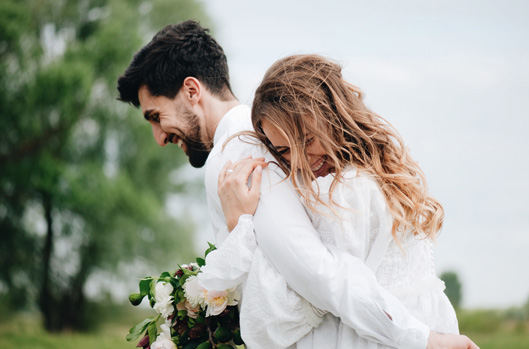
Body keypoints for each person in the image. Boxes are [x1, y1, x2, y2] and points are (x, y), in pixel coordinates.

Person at [116, 19, 478, 349]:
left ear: (193, 91)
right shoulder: (257, 136)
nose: (159, 137)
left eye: (156, 116)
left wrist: (424, 340)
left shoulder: (239, 151)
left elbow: (319, 273)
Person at [215, 54, 463, 348]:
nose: (301, 162)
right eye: (283, 151)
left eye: (307, 140)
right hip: (420, 326)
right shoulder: (385, 173)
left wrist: (240, 226)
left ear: (334, 116)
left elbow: (293, 305)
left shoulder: (344, 192)